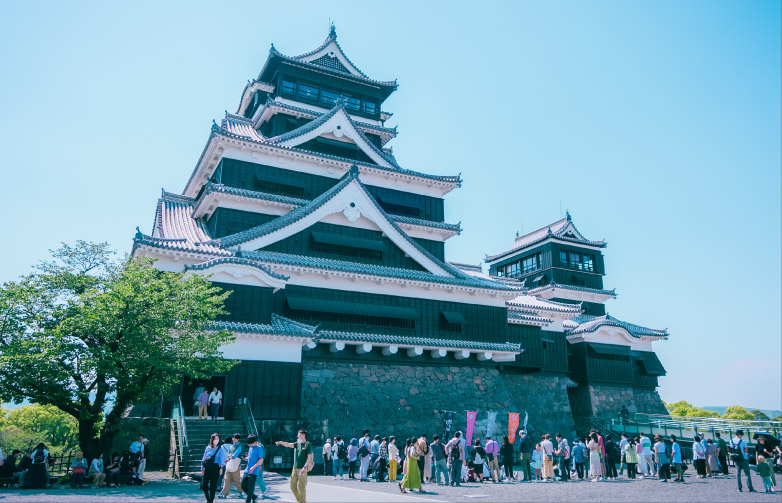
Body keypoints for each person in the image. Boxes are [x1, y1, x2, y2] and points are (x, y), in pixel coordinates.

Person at [275, 429, 313, 503]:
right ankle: (300, 499)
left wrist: (305, 467)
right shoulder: (298, 443)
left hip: (302, 468)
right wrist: (281, 442)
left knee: (301, 487)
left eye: (299, 434)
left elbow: (309, 457)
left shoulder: (308, 444)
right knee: (292, 486)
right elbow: (288, 444)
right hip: (295, 468)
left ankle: (302, 501)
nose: (297, 436)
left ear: (303, 435)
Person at [219, 433, 245, 500]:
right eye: (233, 438)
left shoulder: (239, 446)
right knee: (226, 479)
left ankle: (242, 492)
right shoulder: (231, 446)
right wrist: (228, 458)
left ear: (238, 439)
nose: (233, 439)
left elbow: (237, 453)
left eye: (234, 438)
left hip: (236, 465)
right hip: (230, 464)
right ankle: (224, 494)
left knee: (237, 480)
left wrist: (232, 456)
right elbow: (229, 454)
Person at [241, 435, 266, 503]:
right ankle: (254, 497)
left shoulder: (259, 448)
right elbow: (251, 456)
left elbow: (261, 460)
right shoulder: (251, 447)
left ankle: (248, 501)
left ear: (255, 442)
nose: (249, 445)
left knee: (250, 488)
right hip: (247, 470)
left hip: (254, 471)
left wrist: (254, 467)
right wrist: (247, 458)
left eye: (250, 444)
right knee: (243, 486)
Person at [201, 433, 224, 503]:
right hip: (207, 467)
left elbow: (221, 460)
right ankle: (208, 498)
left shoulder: (220, 449)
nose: (216, 440)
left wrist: (221, 468)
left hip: (215, 467)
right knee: (204, 485)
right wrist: (202, 468)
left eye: (218, 439)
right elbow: (204, 459)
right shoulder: (207, 448)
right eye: (215, 439)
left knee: (213, 486)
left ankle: (211, 500)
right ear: (212, 440)